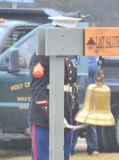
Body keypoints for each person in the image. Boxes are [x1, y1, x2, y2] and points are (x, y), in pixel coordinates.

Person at [27, 17, 81, 160]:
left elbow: (72, 85)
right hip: (44, 117)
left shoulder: (71, 53)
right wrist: (53, 114)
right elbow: (37, 89)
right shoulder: (42, 54)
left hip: (67, 114)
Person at [71, 56, 99, 156]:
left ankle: (93, 149)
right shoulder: (75, 55)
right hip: (75, 93)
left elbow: (94, 68)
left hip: (89, 94)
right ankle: (70, 149)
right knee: (74, 122)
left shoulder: (93, 55)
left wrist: (78, 67)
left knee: (90, 122)